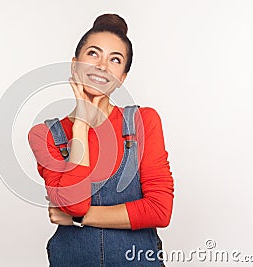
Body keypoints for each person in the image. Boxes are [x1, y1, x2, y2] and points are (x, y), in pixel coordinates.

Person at [28, 13, 174, 267]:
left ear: (122, 78)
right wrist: (82, 123)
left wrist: (78, 218)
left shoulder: (143, 122)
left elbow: (159, 210)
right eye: (93, 54)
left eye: (115, 60)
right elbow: (75, 203)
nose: (102, 66)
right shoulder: (45, 135)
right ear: (75, 65)